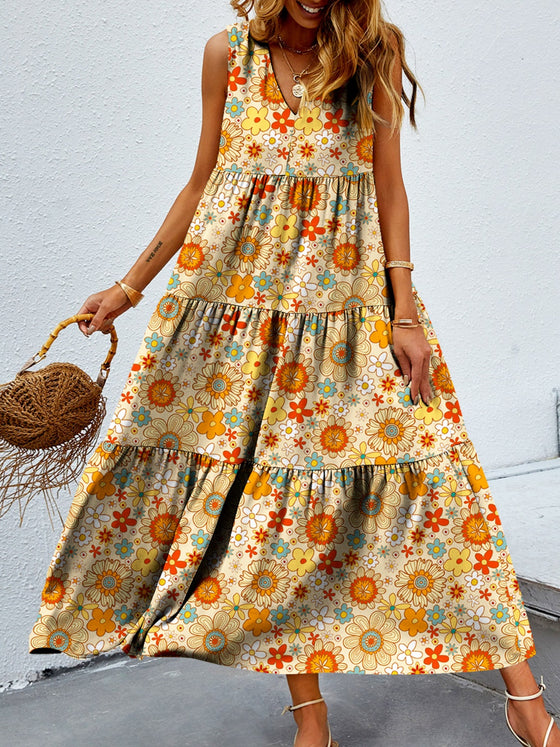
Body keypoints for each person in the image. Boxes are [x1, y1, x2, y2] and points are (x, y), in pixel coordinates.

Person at [29, 2, 559, 746]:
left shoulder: (371, 50)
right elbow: (201, 183)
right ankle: (312, 722)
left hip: (349, 309)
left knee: (443, 491)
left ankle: (526, 702)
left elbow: (389, 190)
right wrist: (127, 287)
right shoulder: (227, 54)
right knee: (272, 516)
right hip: (243, 311)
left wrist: (404, 313)